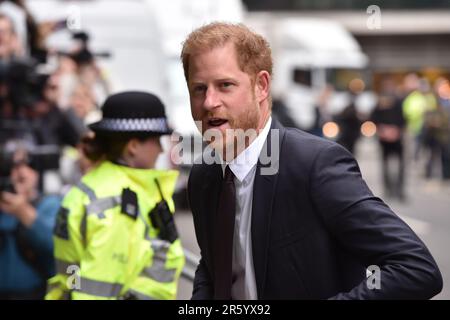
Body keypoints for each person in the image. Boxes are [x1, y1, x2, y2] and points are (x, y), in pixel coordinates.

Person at [181, 22, 442, 300]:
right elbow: (212, 267)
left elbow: (414, 268)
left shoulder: (314, 164)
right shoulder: (203, 176)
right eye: (199, 88)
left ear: (261, 86)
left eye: (225, 85)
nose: (209, 102)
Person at [46, 91, 185, 300]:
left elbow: (75, 275)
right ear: (133, 146)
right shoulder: (121, 204)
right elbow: (97, 291)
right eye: (156, 140)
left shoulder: (94, 186)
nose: (160, 150)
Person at [0, 148, 61, 299]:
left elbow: (55, 245)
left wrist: (23, 211)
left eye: (29, 165)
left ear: (37, 173)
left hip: (35, 292)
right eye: (14, 166)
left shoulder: (50, 204)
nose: (21, 172)